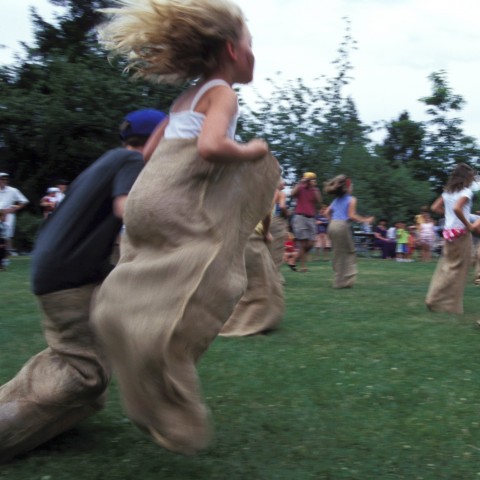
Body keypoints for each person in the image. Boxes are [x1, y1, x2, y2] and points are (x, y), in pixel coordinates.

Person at [91, 0, 280, 456]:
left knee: (151, 275)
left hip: (143, 199)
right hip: (174, 200)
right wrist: (250, 150)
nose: (256, 53)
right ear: (234, 51)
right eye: (252, 44)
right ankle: (165, 382)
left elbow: (151, 151)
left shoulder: (184, 98)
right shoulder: (222, 94)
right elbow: (213, 146)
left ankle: (115, 313)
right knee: (217, 273)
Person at [0, 108, 167, 463]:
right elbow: (128, 210)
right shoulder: (131, 163)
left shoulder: (105, 161)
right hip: (66, 277)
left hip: (56, 270)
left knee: (79, 360)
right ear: (158, 138)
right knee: (84, 375)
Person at [220, 212, 284, 337]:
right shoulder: (262, 192)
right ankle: (250, 325)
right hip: (251, 237)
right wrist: (266, 233)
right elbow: (265, 212)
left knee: (247, 286)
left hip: (230, 236)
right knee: (263, 286)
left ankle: (237, 321)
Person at [425, 163, 476, 314]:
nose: (473, 178)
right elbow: (457, 208)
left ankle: (436, 300)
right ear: (466, 177)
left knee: (447, 267)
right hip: (461, 234)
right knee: (459, 269)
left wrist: (450, 217)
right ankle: (446, 304)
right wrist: (469, 225)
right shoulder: (466, 192)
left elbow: (434, 208)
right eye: (471, 175)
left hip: (449, 233)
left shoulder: (447, 193)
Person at [324, 174, 374, 288]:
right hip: (342, 226)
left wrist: (333, 222)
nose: (352, 187)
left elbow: (327, 213)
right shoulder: (352, 199)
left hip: (332, 226)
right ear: (347, 187)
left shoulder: (336, 200)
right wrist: (365, 220)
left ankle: (339, 280)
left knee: (337, 253)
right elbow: (351, 215)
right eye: (351, 185)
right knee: (349, 252)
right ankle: (344, 281)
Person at [291, 172, 322, 272]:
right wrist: (301, 182)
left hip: (311, 218)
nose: (311, 181)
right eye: (309, 179)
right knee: (303, 243)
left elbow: (319, 201)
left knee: (311, 243)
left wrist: (314, 187)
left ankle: (294, 259)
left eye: (312, 179)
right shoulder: (300, 187)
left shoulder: (314, 189)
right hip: (300, 217)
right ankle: (303, 266)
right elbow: (292, 194)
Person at [0, 172, 29, 253]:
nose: (3, 181)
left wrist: (15, 208)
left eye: (5, 179)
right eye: (2, 179)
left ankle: (7, 251)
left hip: (8, 213)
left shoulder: (13, 190)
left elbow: (24, 201)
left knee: (7, 234)